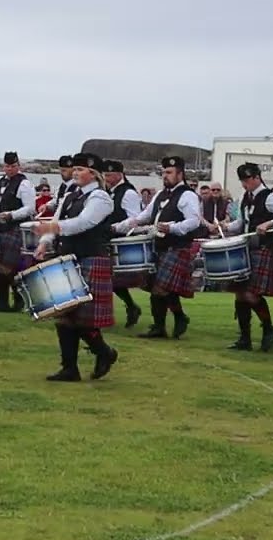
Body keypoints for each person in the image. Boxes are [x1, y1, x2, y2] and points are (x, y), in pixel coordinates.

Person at [32, 152, 118, 381]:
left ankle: (104, 352)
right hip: (69, 258)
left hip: (91, 257)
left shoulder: (101, 198)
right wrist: (44, 243)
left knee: (82, 319)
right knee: (63, 314)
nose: (76, 173)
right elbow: (58, 220)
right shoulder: (70, 195)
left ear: (94, 174)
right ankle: (70, 368)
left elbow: (84, 223)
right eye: (75, 169)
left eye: (81, 170)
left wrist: (52, 227)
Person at [112, 156, 203, 339]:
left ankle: (160, 327)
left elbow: (194, 221)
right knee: (160, 288)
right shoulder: (161, 195)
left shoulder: (187, 195)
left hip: (177, 248)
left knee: (160, 289)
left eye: (169, 172)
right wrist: (116, 227)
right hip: (160, 247)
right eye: (163, 173)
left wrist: (172, 228)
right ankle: (176, 319)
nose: (165, 176)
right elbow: (142, 217)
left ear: (180, 174)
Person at [217, 163, 273, 352]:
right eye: (243, 181)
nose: (245, 185)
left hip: (262, 249)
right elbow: (243, 223)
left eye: (248, 180)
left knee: (251, 294)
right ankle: (244, 338)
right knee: (239, 293)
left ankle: (268, 329)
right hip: (245, 249)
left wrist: (270, 223)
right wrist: (226, 226)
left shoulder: (271, 197)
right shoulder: (245, 197)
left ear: (257, 177)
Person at [0, 151, 36, 312]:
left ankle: (18, 301)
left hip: (14, 229)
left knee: (9, 267)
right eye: (7, 166)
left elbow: (29, 208)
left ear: (18, 166)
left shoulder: (24, 184)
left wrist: (11, 215)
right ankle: (2, 303)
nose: (10, 169)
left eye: (13, 166)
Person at [102, 160, 144, 327]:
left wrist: (116, 227)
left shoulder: (128, 193)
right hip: (108, 239)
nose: (106, 178)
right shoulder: (106, 191)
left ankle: (130, 307)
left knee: (113, 281)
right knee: (109, 280)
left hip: (122, 241)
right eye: (105, 175)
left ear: (120, 174)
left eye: (110, 175)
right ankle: (130, 307)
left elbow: (135, 218)